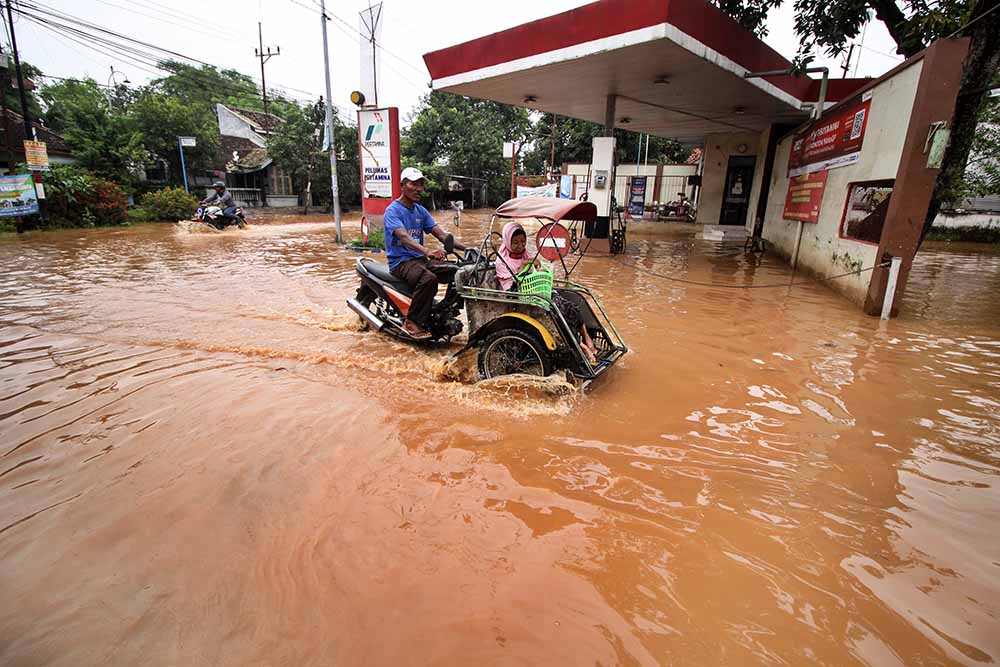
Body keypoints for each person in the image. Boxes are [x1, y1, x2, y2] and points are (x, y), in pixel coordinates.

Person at [495, 221, 598, 364]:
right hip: (519, 299)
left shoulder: (526, 254)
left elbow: (537, 273)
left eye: (523, 241)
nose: (520, 246)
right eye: (516, 242)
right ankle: (581, 347)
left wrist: (540, 268)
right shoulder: (501, 261)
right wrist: (523, 266)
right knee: (556, 315)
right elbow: (510, 288)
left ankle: (586, 338)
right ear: (507, 241)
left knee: (569, 306)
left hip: (538, 292)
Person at [385, 167, 466, 339]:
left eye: (421, 184)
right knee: (429, 279)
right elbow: (404, 237)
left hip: (419, 260)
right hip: (401, 262)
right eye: (414, 184)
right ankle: (412, 321)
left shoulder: (420, 211)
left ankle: (445, 311)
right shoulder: (392, 211)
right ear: (402, 185)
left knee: (459, 272)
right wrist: (427, 250)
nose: (419, 189)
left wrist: (469, 249)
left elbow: (441, 234)